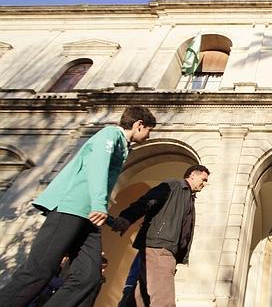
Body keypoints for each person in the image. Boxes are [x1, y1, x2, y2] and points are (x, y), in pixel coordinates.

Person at [0, 106, 157, 307]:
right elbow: (97, 168)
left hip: (87, 218)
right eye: (149, 130)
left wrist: (109, 219)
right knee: (39, 271)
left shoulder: (124, 146)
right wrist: (100, 205)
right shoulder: (110, 134)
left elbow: (100, 185)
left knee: (88, 277)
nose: (149, 135)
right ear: (139, 125)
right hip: (69, 208)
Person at [110, 165, 210, 307]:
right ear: (192, 175)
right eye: (204, 179)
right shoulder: (174, 186)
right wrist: (127, 217)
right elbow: (148, 200)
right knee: (164, 300)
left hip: (165, 251)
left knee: (140, 298)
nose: (205, 184)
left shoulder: (188, 198)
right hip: (160, 248)